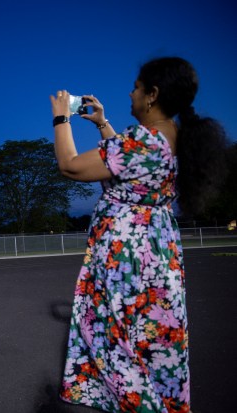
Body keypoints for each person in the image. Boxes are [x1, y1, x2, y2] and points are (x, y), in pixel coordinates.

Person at [50, 57, 228, 412]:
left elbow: (70, 165)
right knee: (151, 337)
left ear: (152, 95)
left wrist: (61, 117)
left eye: (135, 87)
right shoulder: (175, 139)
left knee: (113, 337)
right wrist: (103, 124)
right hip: (157, 252)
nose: (130, 93)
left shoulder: (141, 141)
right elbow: (129, 165)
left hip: (125, 255)